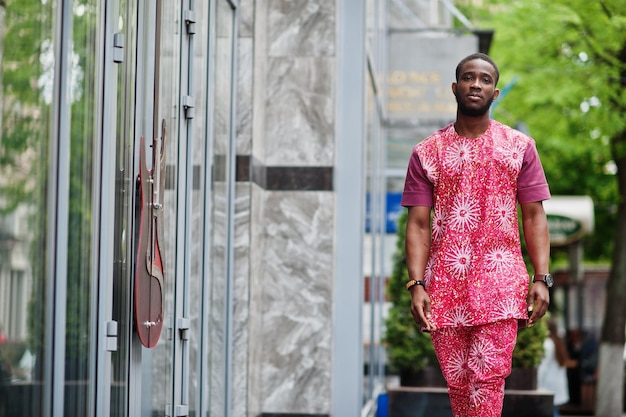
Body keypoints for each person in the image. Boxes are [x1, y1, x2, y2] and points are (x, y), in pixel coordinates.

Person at [401, 52, 551, 417]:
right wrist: (416, 283)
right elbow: (419, 223)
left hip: (501, 287)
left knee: (487, 382)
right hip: (445, 289)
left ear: (495, 92)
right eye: (469, 78)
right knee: (459, 387)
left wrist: (542, 278)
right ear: (455, 87)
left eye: (485, 80)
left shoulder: (520, 147)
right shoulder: (427, 153)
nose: (476, 85)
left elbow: (533, 216)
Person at [538, 318, 578, 417]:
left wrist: (537, 383)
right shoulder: (558, 342)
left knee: (549, 411)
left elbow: (543, 367)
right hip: (556, 385)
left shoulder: (547, 344)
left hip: (547, 385)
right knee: (554, 410)